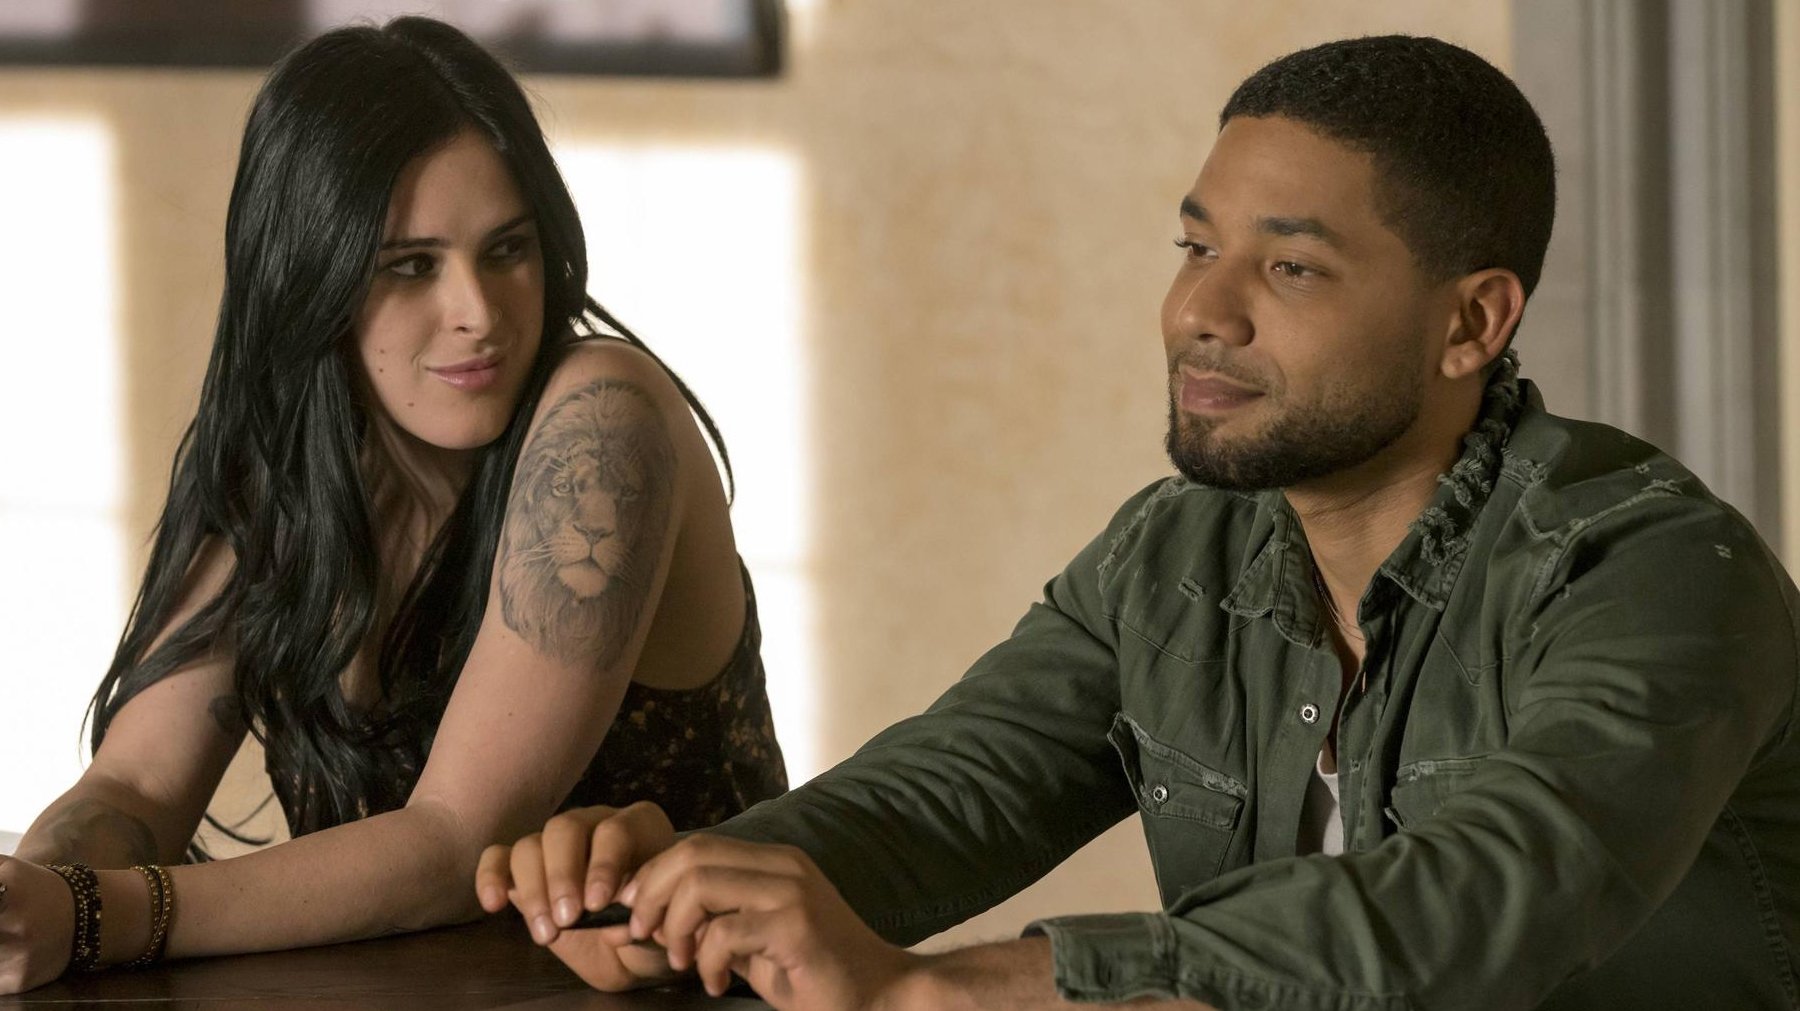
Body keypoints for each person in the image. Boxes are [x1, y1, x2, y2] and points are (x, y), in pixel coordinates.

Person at [480, 34, 1800, 1011]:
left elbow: (1478, 903)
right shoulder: (1173, 553)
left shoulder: (1653, 570)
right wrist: (683, 886)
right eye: (1195, 248)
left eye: (1290, 266)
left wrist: (950, 992)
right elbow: (941, 796)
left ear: (1472, 322)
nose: (1201, 313)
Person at [0, 15, 785, 994]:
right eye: (410, 266)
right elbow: (135, 786)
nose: (479, 313)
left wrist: (94, 915)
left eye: (507, 250)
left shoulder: (602, 422)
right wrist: (31, 891)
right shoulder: (287, 464)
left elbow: (457, 837)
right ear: (311, 278)